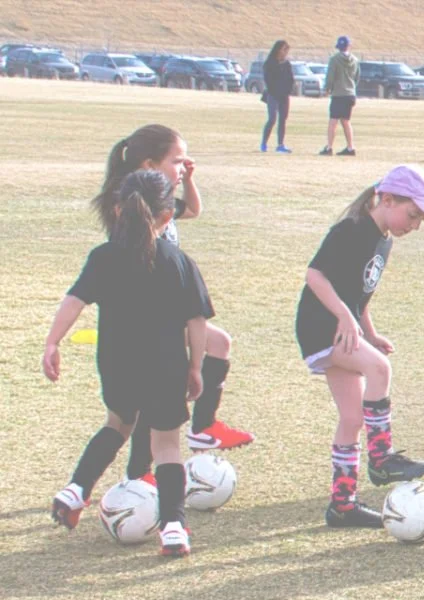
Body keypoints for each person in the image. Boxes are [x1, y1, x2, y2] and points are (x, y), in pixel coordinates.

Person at [48, 170, 212, 557]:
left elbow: (74, 300)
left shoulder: (103, 256)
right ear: (167, 216)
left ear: (118, 209)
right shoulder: (178, 260)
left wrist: (52, 342)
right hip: (166, 366)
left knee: (118, 425)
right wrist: (195, 367)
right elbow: (197, 322)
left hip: (116, 362)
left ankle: (75, 492)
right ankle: (173, 528)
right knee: (167, 445)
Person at [91, 125, 254, 489]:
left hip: (165, 308)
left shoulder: (156, 198)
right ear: (149, 164)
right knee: (150, 398)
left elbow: (194, 210)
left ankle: (202, 428)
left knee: (217, 346)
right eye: (177, 161)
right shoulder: (134, 207)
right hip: (150, 313)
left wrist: (189, 178)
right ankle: (141, 469)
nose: (184, 166)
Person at [296, 165, 424, 528]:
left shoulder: (383, 240)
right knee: (379, 368)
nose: (414, 225)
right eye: (412, 215)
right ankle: (381, 461)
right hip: (322, 328)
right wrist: (346, 320)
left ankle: (342, 505)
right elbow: (315, 275)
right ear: (386, 199)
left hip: (343, 328)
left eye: (421, 220)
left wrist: (369, 330)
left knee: (352, 418)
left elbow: (358, 294)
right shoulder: (351, 229)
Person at [320, 35, 359, 157]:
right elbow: (356, 77)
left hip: (338, 93)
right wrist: (351, 87)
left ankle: (329, 147)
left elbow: (331, 76)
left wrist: (327, 89)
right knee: (346, 121)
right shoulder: (355, 60)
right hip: (350, 94)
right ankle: (350, 147)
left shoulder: (335, 60)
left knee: (333, 121)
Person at [261, 39, 294, 153]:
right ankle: (264, 143)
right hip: (273, 95)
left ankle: (280, 144)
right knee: (272, 119)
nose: (285, 53)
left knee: (283, 120)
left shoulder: (287, 64)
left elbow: (291, 79)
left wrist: (287, 91)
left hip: (284, 96)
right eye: (284, 50)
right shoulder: (270, 63)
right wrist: (275, 91)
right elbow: (268, 80)